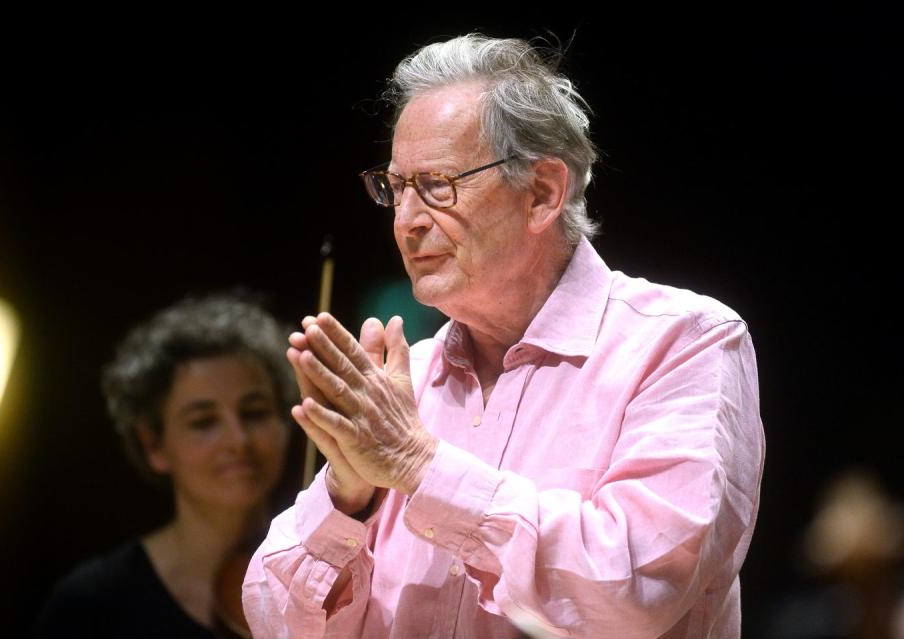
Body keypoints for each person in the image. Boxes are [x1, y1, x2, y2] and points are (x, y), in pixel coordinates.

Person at [242, 34, 765, 639]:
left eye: (437, 184)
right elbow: (274, 621)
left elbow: (638, 591)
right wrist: (349, 495)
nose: (406, 221)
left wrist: (418, 463)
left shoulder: (683, 342)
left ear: (543, 193)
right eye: (394, 188)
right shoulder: (401, 388)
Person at [37, 293, 294, 638]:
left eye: (255, 413)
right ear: (153, 445)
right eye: (203, 422)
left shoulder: (334, 581)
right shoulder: (92, 604)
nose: (238, 440)